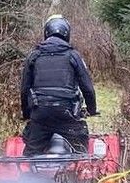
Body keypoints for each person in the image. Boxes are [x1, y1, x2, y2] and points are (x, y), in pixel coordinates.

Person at [20, 15, 98, 155]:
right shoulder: (73, 55)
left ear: (46, 32)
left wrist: (27, 114)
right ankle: (80, 175)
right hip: (66, 114)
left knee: (30, 155)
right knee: (80, 152)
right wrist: (92, 110)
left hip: (40, 115)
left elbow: (24, 89)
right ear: (67, 33)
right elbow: (87, 88)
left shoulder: (34, 55)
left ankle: (28, 175)